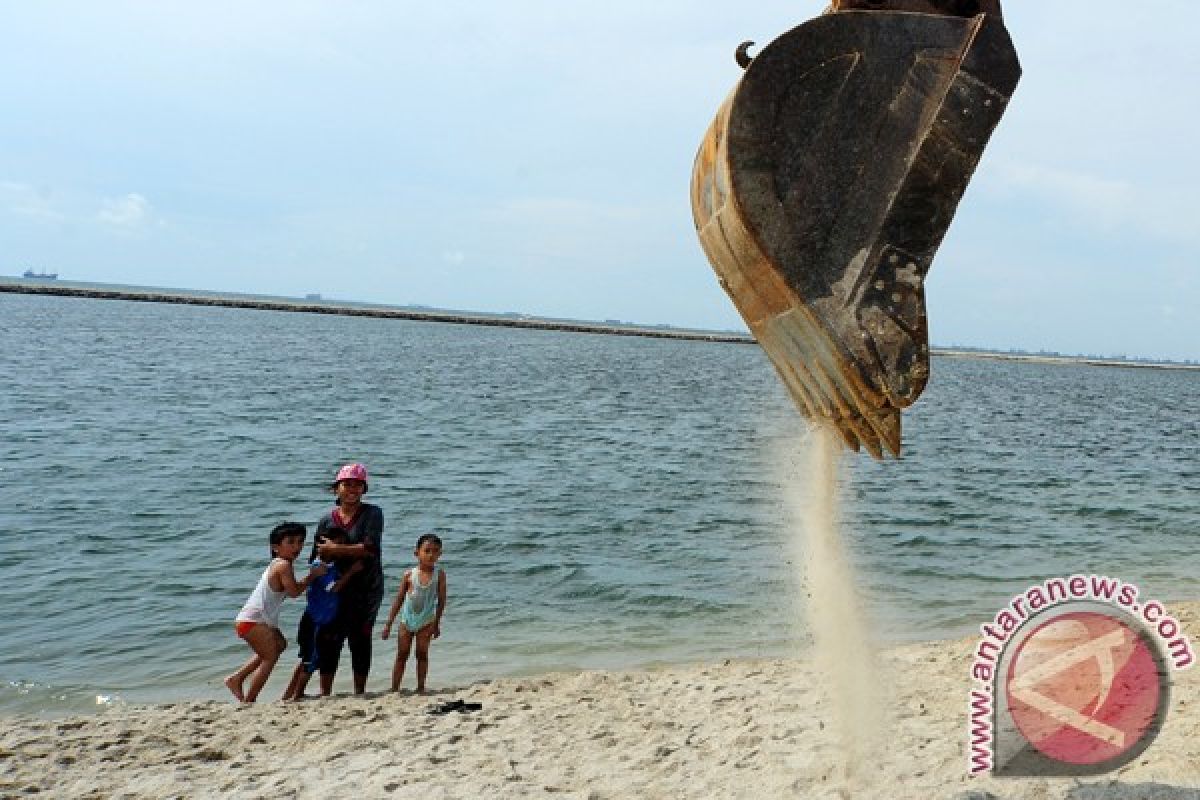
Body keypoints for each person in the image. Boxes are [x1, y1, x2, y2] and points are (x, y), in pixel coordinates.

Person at [225, 522, 326, 703]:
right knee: (269, 657)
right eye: (291, 542)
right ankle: (249, 700)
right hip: (252, 621)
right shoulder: (282, 566)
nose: (297, 547)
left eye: (301, 542)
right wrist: (313, 576)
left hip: (258, 620)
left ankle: (237, 678)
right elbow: (294, 592)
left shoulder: (281, 564)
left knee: (279, 645)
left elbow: (291, 589)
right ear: (275, 547)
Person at [314, 463, 385, 695]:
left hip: (367, 588)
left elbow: (370, 549)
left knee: (360, 638)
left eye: (358, 485)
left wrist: (336, 549)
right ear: (337, 489)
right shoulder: (327, 520)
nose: (352, 489)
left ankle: (360, 692)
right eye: (347, 484)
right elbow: (318, 555)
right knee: (328, 640)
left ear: (364, 489)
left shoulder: (373, 513)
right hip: (335, 589)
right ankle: (325, 692)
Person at [280, 527, 363, 701]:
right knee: (309, 660)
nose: (338, 548)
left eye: (341, 545)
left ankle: (291, 693)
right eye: (335, 544)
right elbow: (334, 588)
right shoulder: (320, 567)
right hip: (314, 621)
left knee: (311, 658)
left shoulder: (331, 566)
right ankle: (297, 694)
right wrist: (352, 572)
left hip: (325, 620)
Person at [381, 533, 447, 694]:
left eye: (435, 551)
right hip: (407, 620)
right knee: (402, 654)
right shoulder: (409, 575)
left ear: (440, 554)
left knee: (422, 654)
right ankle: (395, 688)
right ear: (417, 553)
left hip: (427, 621)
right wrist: (389, 623)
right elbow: (398, 599)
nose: (431, 555)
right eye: (427, 551)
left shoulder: (439, 575)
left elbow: (441, 601)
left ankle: (421, 687)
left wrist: (437, 624)